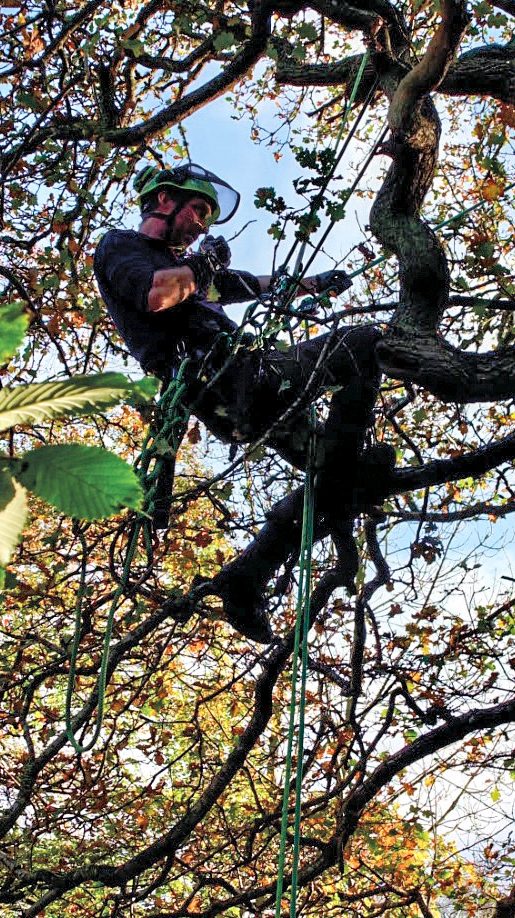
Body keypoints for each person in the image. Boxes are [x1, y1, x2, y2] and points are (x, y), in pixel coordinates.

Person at [93, 162, 388, 638]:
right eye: (196, 211)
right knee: (363, 345)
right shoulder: (123, 248)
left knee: (342, 476)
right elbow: (158, 296)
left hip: (247, 385)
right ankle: (335, 479)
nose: (200, 226)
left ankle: (247, 579)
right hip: (227, 379)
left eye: (207, 217)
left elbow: (253, 284)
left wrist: (314, 284)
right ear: (164, 202)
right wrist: (203, 263)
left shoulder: (192, 270)